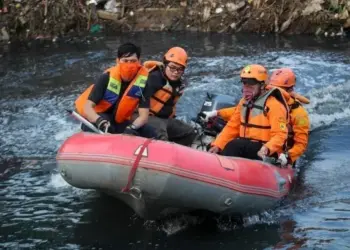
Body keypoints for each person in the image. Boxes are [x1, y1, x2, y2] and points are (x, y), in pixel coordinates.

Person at [208, 64, 289, 161]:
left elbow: (280, 135)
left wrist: (267, 148)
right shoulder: (244, 102)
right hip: (247, 146)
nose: (246, 87)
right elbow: (232, 126)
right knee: (222, 145)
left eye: (250, 84)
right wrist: (218, 145)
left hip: (267, 150)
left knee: (235, 145)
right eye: (244, 83)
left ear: (262, 85)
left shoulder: (274, 105)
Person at [74, 42, 156, 138]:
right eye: (125, 60)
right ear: (117, 61)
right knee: (105, 127)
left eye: (133, 61)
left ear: (139, 61)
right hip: (99, 118)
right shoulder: (106, 78)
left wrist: (131, 128)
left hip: (120, 121)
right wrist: (99, 121)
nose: (129, 65)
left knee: (150, 131)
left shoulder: (144, 83)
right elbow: (87, 107)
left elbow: (143, 116)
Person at [142, 47, 197, 146]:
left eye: (180, 69)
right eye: (172, 67)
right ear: (165, 64)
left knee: (189, 132)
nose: (175, 72)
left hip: (164, 119)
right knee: (161, 133)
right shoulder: (153, 78)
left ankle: (177, 156)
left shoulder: (178, 85)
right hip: (144, 116)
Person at [267, 68, 310, 166]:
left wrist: (288, 156)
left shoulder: (299, 114)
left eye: (277, 90)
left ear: (290, 90)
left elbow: (301, 143)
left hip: (284, 154)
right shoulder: (266, 103)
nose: (273, 94)